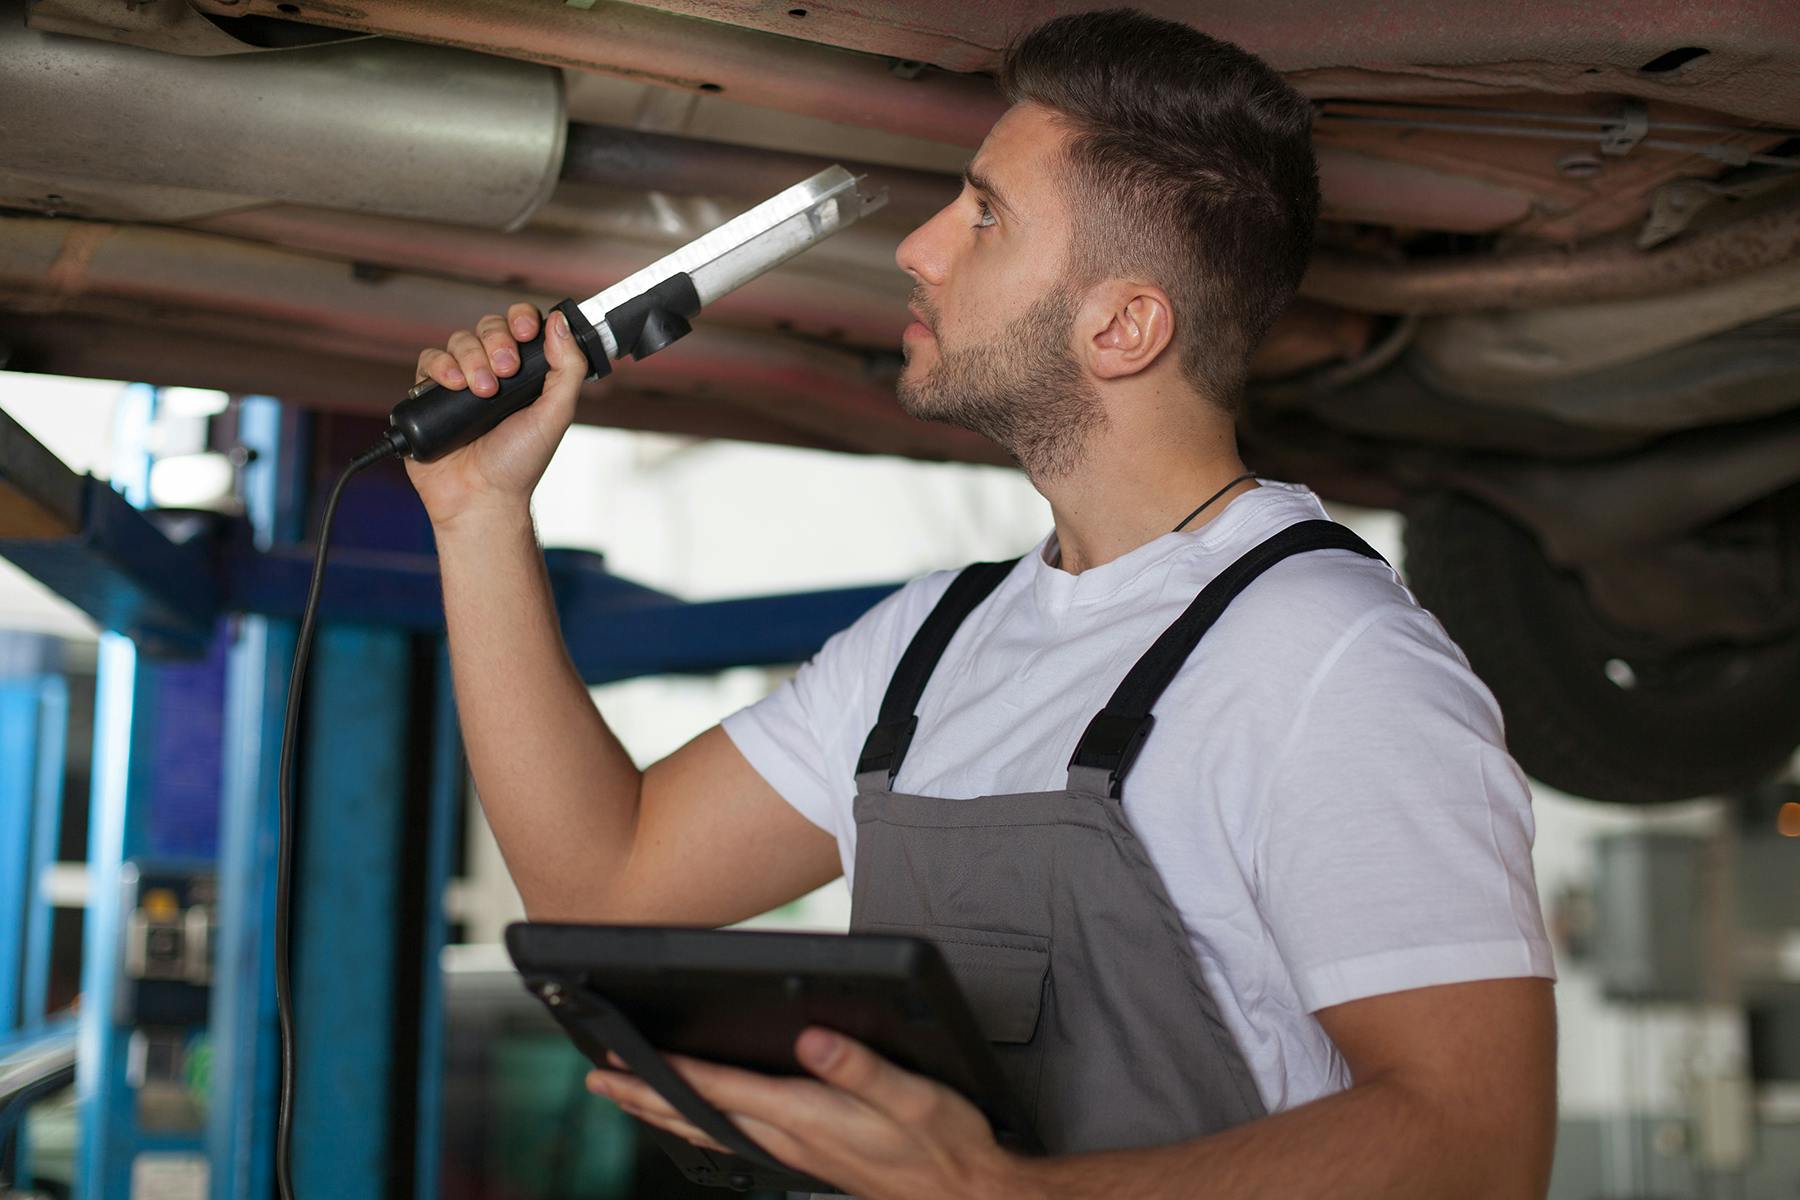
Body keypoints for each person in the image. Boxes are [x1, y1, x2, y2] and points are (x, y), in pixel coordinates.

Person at [406, 9, 1557, 1198]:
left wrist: (1002, 1195)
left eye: (985, 214)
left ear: (1123, 327)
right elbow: (604, 886)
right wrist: (479, 515)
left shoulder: (1333, 660)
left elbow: (1477, 1150)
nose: (918, 246)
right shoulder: (927, 646)